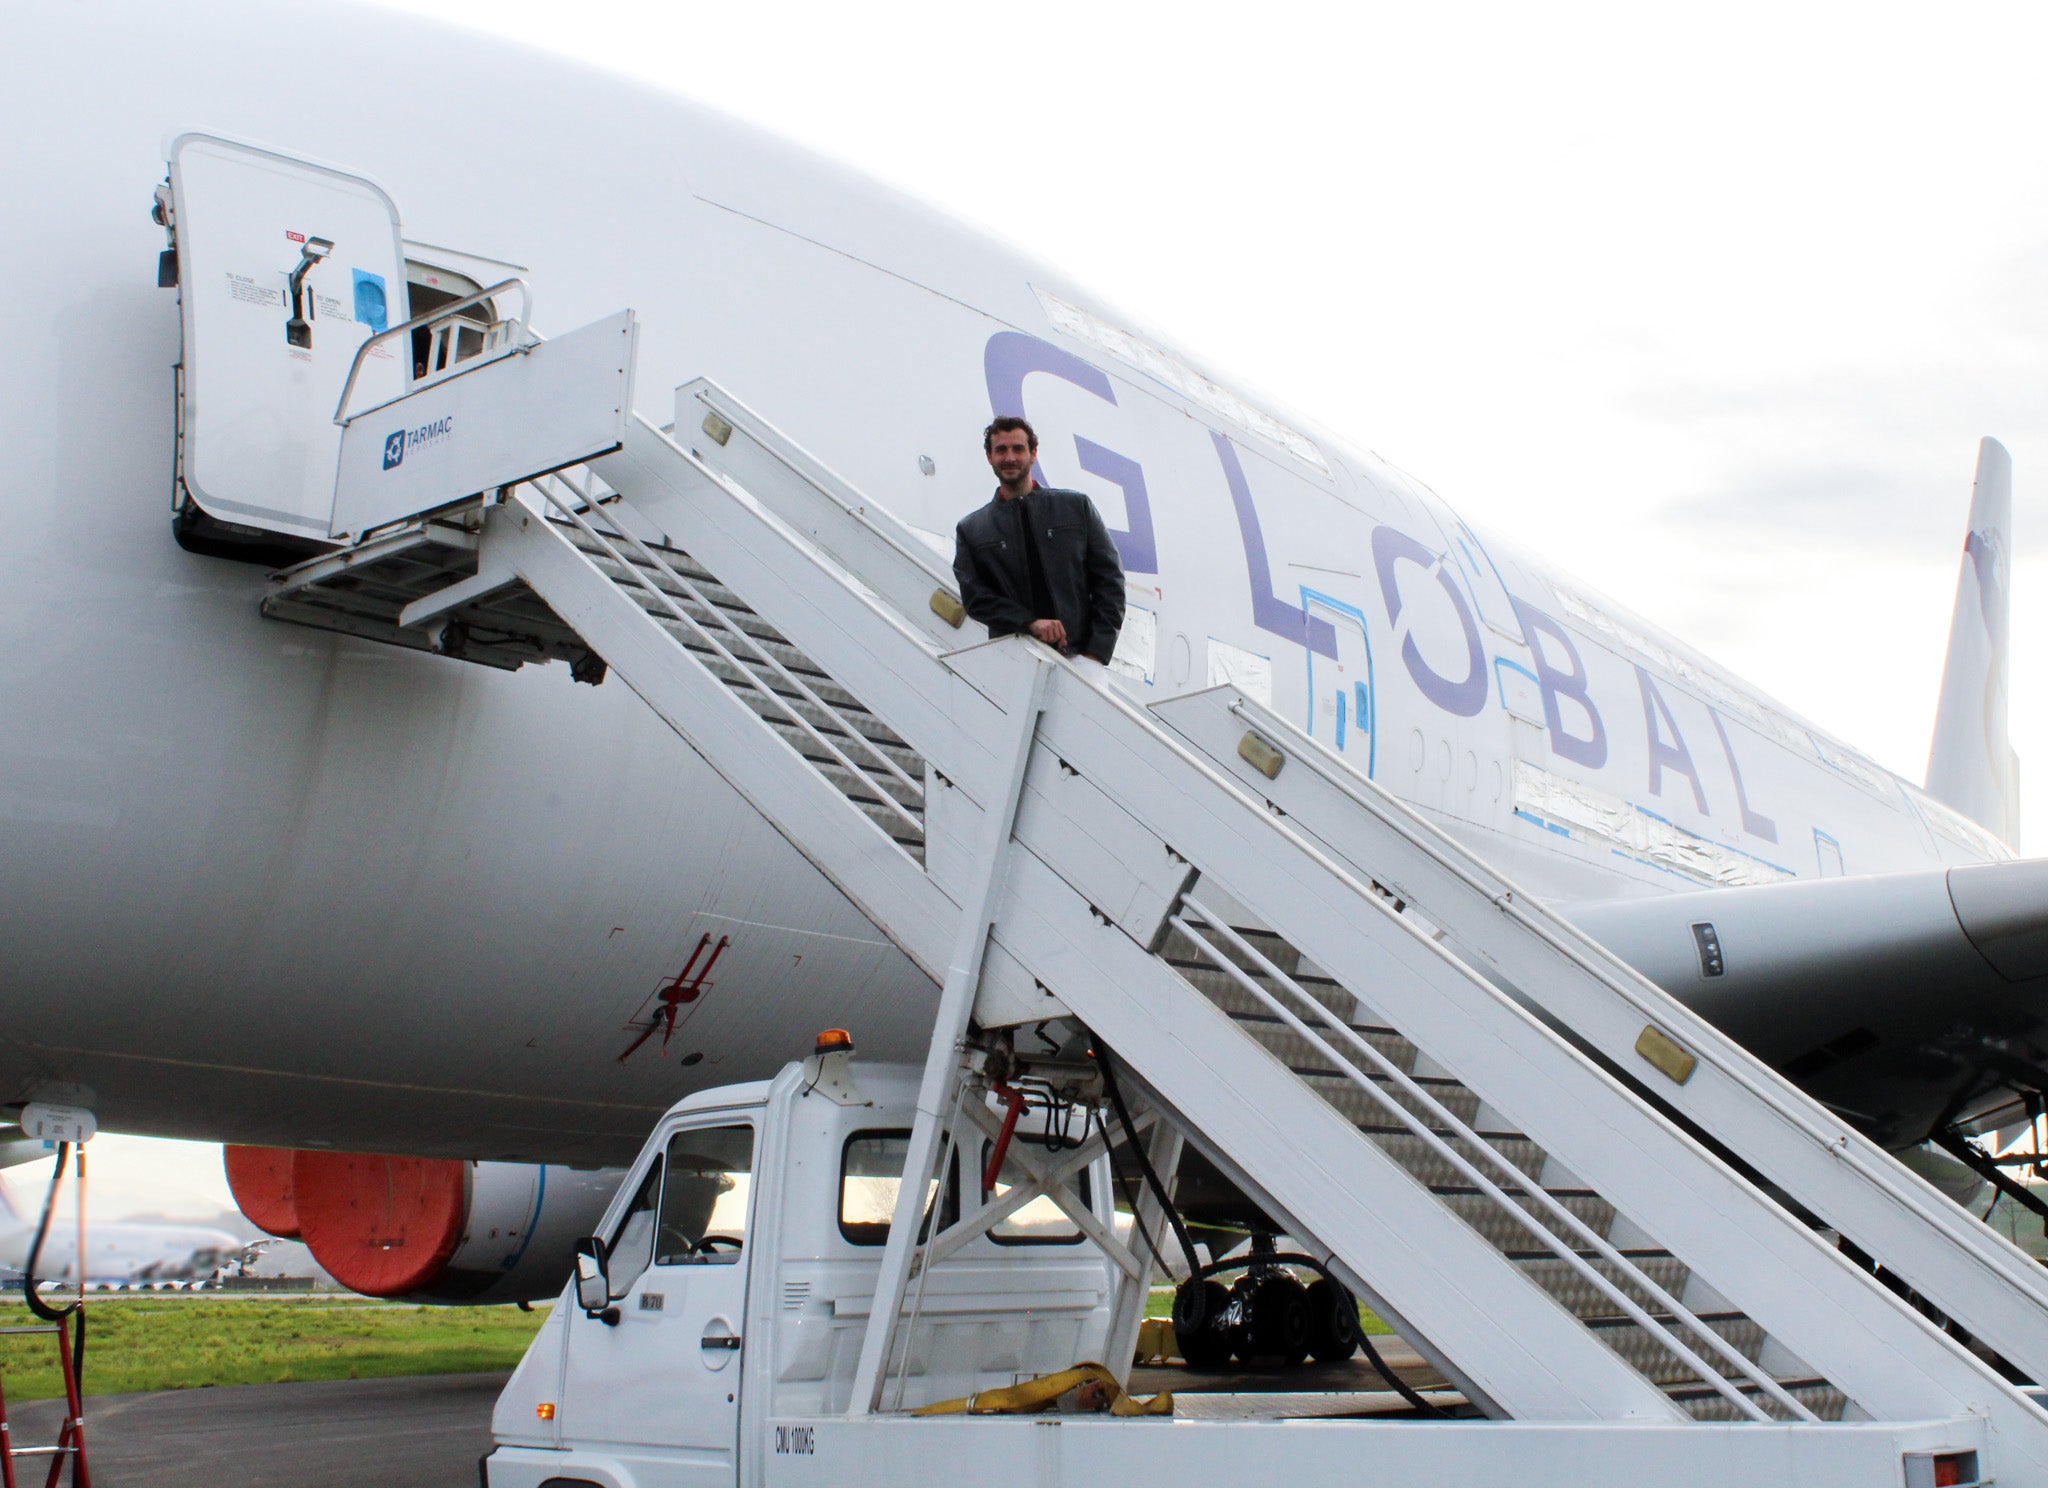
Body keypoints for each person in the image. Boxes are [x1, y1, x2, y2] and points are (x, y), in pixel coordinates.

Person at [952, 416, 1125, 663]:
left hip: (1081, 659)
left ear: (1033, 453)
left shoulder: (1076, 508)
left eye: (1018, 449)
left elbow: (1111, 581)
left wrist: (1095, 655)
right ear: (989, 456)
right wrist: (1029, 623)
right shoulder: (971, 530)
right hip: (1012, 661)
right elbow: (976, 599)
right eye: (1001, 450)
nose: (1010, 457)